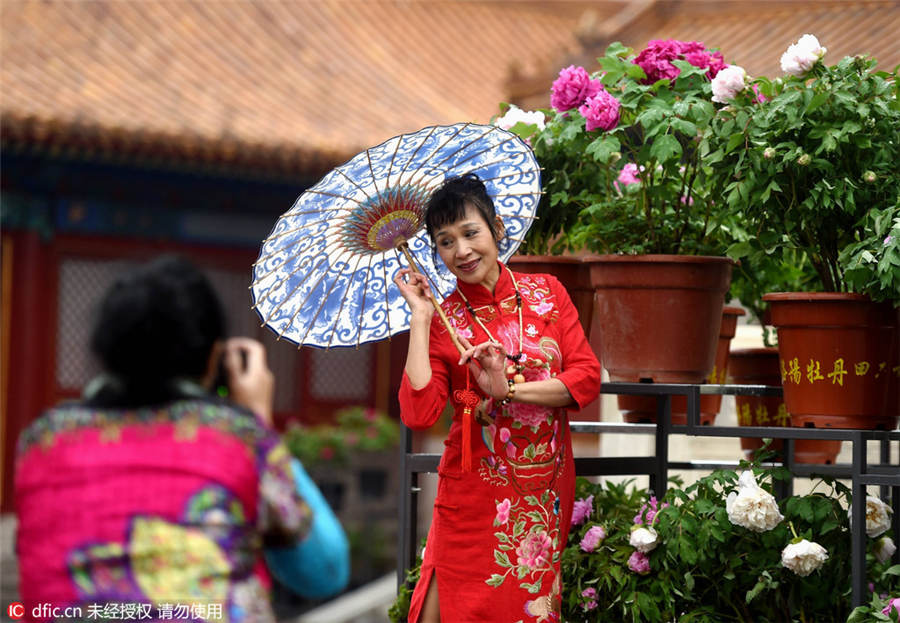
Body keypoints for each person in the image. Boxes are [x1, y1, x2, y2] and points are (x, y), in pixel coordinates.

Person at [15, 255, 348, 623]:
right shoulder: (241, 440)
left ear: (106, 353)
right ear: (213, 360)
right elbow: (324, 572)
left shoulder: (43, 441)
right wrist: (259, 424)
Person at [393, 174, 602, 622]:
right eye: (445, 242)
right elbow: (419, 412)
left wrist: (507, 389)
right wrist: (421, 317)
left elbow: (585, 378)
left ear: (497, 229)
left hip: (541, 492)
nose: (462, 251)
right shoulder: (444, 316)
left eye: (471, 233)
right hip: (471, 491)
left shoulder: (548, 294)